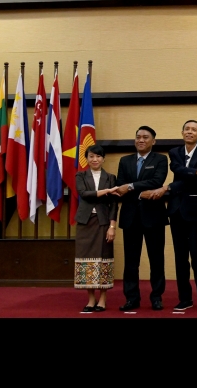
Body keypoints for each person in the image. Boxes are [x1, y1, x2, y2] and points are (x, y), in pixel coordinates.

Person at [145, 120, 197, 312]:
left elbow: (191, 183)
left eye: (194, 130)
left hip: (193, 211)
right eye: (187, 129)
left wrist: (167, 187)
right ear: (182, 132)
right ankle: (185, 298)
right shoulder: (174, 152)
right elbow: (178, 170)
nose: (190, 132)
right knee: (180, 257)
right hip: (175, 210)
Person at [115, 126, 169, 311]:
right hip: (130, 217)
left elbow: (156, 182)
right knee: (131, 261)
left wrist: (130, 187)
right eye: (138, 137)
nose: (141, 140)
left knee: (156, 259)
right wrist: (137, 191)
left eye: (146, 137)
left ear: (153, 141)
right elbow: (119, 186)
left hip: (153, 216)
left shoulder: (161, 159)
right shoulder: (125, 160)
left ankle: (156, 297)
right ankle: (132, 298)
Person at [74, 145, 118, 312]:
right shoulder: (80, 175)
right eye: (91, 156)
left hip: (104, 222)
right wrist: (107, 191)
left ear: (103, 158)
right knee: (86, 261)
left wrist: (112, 226)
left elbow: (114, 204)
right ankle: (91, 299)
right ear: (87, 158)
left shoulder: (111, 177)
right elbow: (85, 194)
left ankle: (103, 299)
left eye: (98, 156)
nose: (95, 159)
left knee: (104, 260)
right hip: (85, 222)